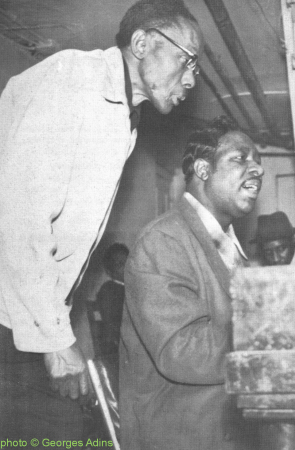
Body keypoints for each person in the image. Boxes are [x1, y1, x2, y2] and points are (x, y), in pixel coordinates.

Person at [0, 0, 203, 444]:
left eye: (197, 68)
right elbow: (19, 215)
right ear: (142, 42)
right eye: (186, 60)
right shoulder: (71, 81)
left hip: (25, 314)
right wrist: (54, 340)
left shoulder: (120, 117)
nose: (191, 79)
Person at [119, 116, 264, 450]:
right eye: (241, 159)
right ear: (202, 170)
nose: (256, 170)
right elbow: (180, 351)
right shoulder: (163, 241)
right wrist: (270, 338)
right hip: (186, 436)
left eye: (259, 162)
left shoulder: (225, 244)